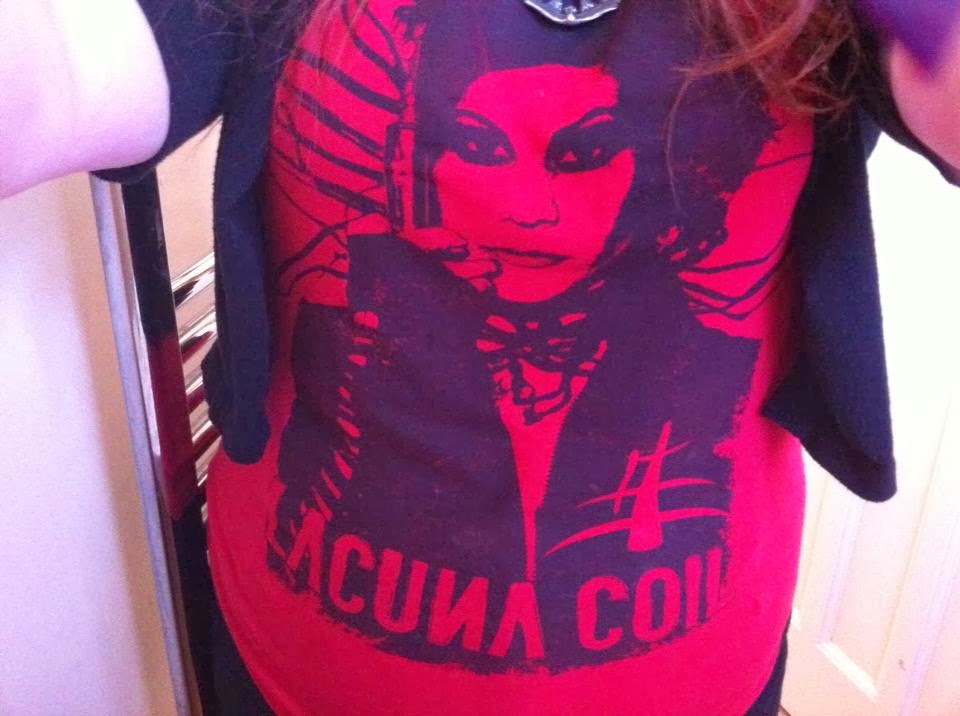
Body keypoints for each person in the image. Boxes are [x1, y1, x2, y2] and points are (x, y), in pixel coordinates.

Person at [1, 1, 958, 714]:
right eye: (477, 147)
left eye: (587, 156)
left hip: (701, 668)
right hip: (299, 672)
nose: (534, 207)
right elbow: (58, 72)